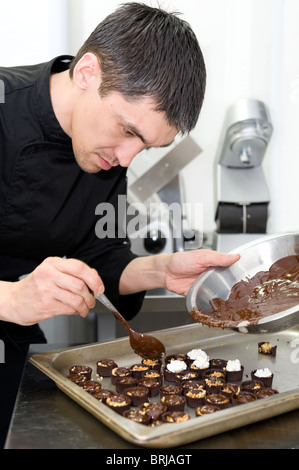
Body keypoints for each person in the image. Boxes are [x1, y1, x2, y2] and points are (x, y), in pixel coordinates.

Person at [0, 3, 239, 446]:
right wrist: (10, 297)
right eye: (128, 131)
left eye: (145, 147)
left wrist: (157, 271)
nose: (127, 158)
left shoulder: (105, 151)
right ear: (87, 73)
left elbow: (98, 253)